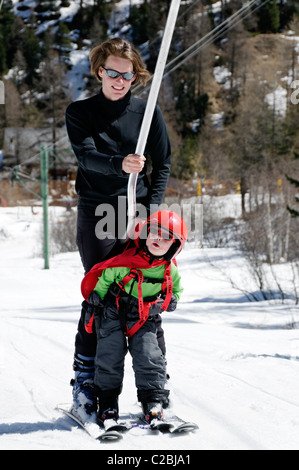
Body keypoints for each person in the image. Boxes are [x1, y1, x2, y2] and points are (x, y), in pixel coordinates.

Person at [65, 38, 172, 419]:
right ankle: (86, 384)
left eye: (127, 74)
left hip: (138, 216)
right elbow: (87, 155)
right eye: (112, 72)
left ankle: (156, 384)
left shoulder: (146, 113)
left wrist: (151, 210)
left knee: (145, 296)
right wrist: (119, 165)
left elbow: (163, 163)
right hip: (99, 213)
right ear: (99, 71)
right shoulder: (80, 112)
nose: (119, 80)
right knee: (101, 297)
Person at [81, 210, 188, 426]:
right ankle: (108, 403)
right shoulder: (125, 262)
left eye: (166, 237)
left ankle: (153, 401)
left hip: (144, 317)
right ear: (145, 233)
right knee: (109, 355)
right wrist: (97, 299)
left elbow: (176, 290)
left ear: (175, 245)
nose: (158, 238)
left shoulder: (169, 270)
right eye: (155, 232)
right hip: (114, 313)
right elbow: (105, 278)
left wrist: (171, 300)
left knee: (149, 356)